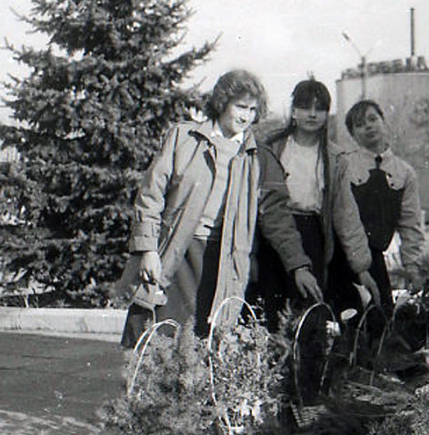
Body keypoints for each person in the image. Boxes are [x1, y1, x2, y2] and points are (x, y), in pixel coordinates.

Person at [117, 69, 323, 347]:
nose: (245, 116)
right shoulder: (184, 138)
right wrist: (148, 249)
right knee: (153, 334)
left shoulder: (259, 158)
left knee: (201, 342)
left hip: (221, 260)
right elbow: (151, 194)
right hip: (176, 253)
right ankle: (144, 391)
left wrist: (298, 265)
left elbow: (278, 219)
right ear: (222, 102)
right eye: (240, 106)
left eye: (252, 109)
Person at [252, 78, 379, 328]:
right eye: (305, 107)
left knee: (307, 316)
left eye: (319, 108)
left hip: (313, 237)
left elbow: (346, 214)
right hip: (273, 235)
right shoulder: (272, 148)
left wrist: (362, 267)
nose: (312, 114)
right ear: (294, 111)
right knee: (272, 312)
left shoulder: (335, 158)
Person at [333, 100, 425, 317]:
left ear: (384, 122)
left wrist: (412, 265)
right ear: (352, 135)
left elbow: (410, 224)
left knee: (382, 324)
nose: (369, 127)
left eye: (373, 119)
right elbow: (343, 215)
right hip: (342, 258)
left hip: (375, 261)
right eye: (359, 124)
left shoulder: (404, 172)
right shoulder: (344, 165)